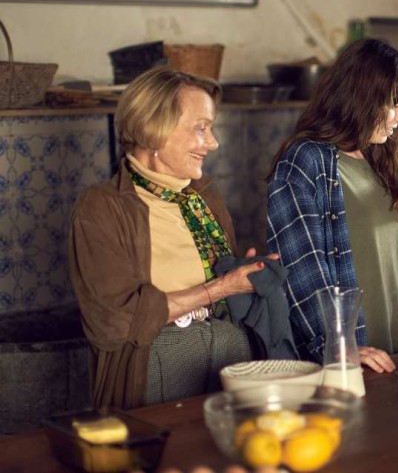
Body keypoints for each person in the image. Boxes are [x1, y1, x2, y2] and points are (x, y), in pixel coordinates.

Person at [69, 67, 283, 409]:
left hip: (230, 354)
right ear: (155, 129)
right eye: (201, 128)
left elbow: (220, 288)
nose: (213, 142)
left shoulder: (204, 200)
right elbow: (112, 321)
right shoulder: (102, 207)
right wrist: (221, 288)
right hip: (157, 368)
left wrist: (245, 273)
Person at [267, 39, 398, 374]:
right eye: (394, 105)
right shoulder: (306, 161)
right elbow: (302, 271)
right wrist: (339, 347)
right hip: (345, 362)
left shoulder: (383, 158)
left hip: (397, 354)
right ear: (361, 99)